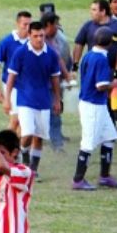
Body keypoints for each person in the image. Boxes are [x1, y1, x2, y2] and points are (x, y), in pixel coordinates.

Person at [72, 28, 117, 190]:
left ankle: (105, 176)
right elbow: (101, 85)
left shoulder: (88, 55)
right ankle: (78, 179)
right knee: (88, 143)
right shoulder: (101, 60)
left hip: (96, 105)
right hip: (93, 106)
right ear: (110, 44)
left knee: (109, 137)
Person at [4, 21, 61, 177]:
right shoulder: (20, 53)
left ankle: (33, 169)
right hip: (25, 101)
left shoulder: (51, 54)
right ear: (29, 36)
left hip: (43, 101)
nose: (39, 39)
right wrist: (7, 99)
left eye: (41, 35)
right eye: (35, 36)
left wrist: (57, 100)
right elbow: (11, 78)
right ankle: (23, 160)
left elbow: (55, 79)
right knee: (27, 133)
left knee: (40, 136)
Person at [0, 11, 32, 132]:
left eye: (29, 24)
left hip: (28, 86)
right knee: (15, 120)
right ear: (17, 24)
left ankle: (17, 149)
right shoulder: (7, 42)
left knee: (24, 122)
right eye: (24, 24)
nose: (27, 27)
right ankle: (1, 145)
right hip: (12, 86)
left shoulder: (33, 42)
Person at [41, 12, 74, 152]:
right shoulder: (38, 38)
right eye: (56, 24)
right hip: (40, 83)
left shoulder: (57, 40)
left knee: (55, 110)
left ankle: (57, 142)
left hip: (53, 82)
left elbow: (62, 59)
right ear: (48, 24)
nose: (58, 27)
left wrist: (67, 75)